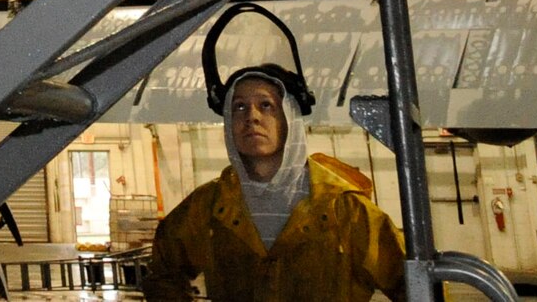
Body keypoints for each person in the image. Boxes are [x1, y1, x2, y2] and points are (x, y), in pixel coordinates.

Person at [147, 70, 407, 302]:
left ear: (289, 119)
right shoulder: (207, 207)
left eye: (266, 105)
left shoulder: (346, 210)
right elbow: (163, 275)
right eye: (239, 107)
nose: (252, 117)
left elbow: (412, 284)